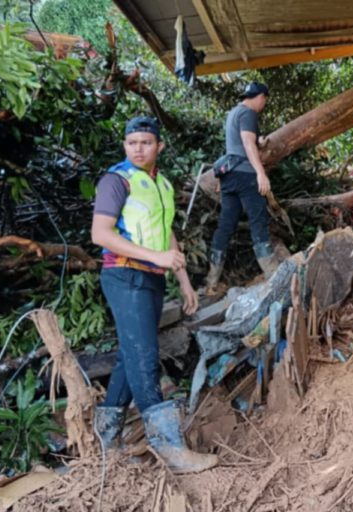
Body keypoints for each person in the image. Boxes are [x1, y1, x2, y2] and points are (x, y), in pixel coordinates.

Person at [91, 116, 218, 473]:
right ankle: (171, 449)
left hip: (152, 278)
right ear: (125, 146)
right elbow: (100, 234)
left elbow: (166, 232)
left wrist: (183, 278)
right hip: (124, 276)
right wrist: (156, 258)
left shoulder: (160, 183)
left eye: (145, 142)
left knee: (129, 356)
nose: (138, 148)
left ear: (159, 146)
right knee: (145, 358)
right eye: (132, 143)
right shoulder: (116, 181)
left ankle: (107, 440)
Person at [205, 81, 280, 292]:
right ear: (261, 97)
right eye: (264, 101)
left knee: (226, 224)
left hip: (229, 176)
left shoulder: (233, 113)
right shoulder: (248, 113)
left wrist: (260, 142)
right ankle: (274, 277)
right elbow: (247, 144)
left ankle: (212, 282)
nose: (263, 106)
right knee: (258, 221)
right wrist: (260, 173)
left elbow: (240, 144)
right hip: (245, 175)